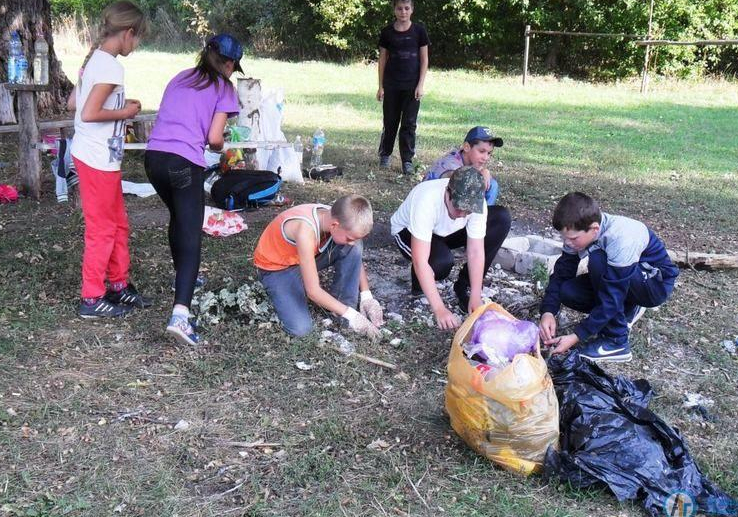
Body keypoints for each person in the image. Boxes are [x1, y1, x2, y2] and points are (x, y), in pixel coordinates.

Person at [144, 34, 243, 345]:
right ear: (229, 64)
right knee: (190, 231)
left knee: (178, 217)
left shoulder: (180, 77)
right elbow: (214, 138)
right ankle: (181, 316)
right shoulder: (225, 87)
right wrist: (224, 146)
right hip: (184, 163)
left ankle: (186, 277)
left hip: (154, 159)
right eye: (232, 66)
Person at [69, 0, 151, 319]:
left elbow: (73, 102)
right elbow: (88, 113)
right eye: (138, 38)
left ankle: (118, 284)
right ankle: (91, 298)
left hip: (104, 157)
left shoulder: (95, 61)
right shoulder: (110, 66)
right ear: (128, 33)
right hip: (96, 158)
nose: (137, 44)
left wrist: (118, 105)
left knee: (118, 224)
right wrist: (125, 111)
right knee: (102, 229)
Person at [539, 192, 679, 362]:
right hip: (623, 278)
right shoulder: (576, 234)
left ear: (594, 228)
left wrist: (577, 335)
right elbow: (562, 273)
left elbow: (611, 296)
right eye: (565, 238)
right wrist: (548, 311)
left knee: (598, 261)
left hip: (654, 285)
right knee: (568, 291)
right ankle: (629, 307)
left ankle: (616, 341)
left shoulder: (621, 237)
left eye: (573, 239)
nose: (568, 243)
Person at [390, 167, 510, 330]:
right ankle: (419, 282)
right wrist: (439, 309)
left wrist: (476, 293)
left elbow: (475, 251)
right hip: (408, 232)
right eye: (458, 207)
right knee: (440, 263)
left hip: (444, 232)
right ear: (448, 192)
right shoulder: (427, 200)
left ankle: (464, 287)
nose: (462, 214)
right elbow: (421, 262)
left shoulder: (475, 203)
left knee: (501, 218)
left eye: (467, 211)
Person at [254, 195, 384, 339]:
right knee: (301, 328)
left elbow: (354, 252)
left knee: (354, 247)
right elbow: (313, 291)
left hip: (301, 258)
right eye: (349, 238)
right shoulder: (305, 230)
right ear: (335, 225)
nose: (351, 242)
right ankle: (346, 312)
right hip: (277, 269)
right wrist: (353, 316)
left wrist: (367, 296)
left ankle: (341, 309)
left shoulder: (336, 215)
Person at [376, 0, 430, 175]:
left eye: (407, 8)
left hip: (412, 86)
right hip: (391, 84)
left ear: (412, 10)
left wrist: (420, 85)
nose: (403, 12)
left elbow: (424, 60)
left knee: (408, 124)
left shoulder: (419, 31)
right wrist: (381, 86)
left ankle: (407, 160)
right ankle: (385, 154)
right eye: (399, 8)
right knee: (390, 121)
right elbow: (382, 59)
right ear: (394, 9)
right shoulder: (387, 32)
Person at [423, 126, 504, 206]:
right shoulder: (450, 163)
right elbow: (460, 179)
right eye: (481, 151)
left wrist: (485, 171)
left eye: (489, 153)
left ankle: (484, 216)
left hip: (447, 205)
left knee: (492, 184)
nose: (486, 158)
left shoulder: (469, 160)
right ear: (466, 147)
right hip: (430, 207)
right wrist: (482, 173)